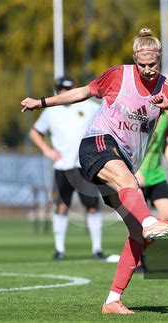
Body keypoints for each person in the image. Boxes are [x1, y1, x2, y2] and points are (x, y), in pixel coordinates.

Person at [21, 28, 168, 315]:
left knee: (138, 235)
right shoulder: (118, 75)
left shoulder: (166, 88)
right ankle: (151, 220)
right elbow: (81, 92)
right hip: (97, 144)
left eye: (153, 65)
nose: (148, 70)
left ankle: (112, 300)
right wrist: (42, 102)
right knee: (131, 185)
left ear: (160, 59)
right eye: (143, 65)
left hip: (122, 159)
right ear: (135, 60)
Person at [29, 75, 106, 261]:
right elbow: (34, 132)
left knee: (92, 207)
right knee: (61, 207)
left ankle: (97, 249)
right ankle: (59, 250)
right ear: (57, 90)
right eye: (62, 89)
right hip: (62, 166)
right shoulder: (50, 112)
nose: (65, 92)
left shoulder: (88, 107)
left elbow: (106, 119)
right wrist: (47, 150)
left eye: (68, 88)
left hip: (85, 165)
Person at [135, 110, 168, 222]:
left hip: (156, 174)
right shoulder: (137, 113)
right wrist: (135, 171)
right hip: (137, 176)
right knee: (138, 225)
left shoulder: (165, 115)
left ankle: (153, 235)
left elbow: (163, 141)